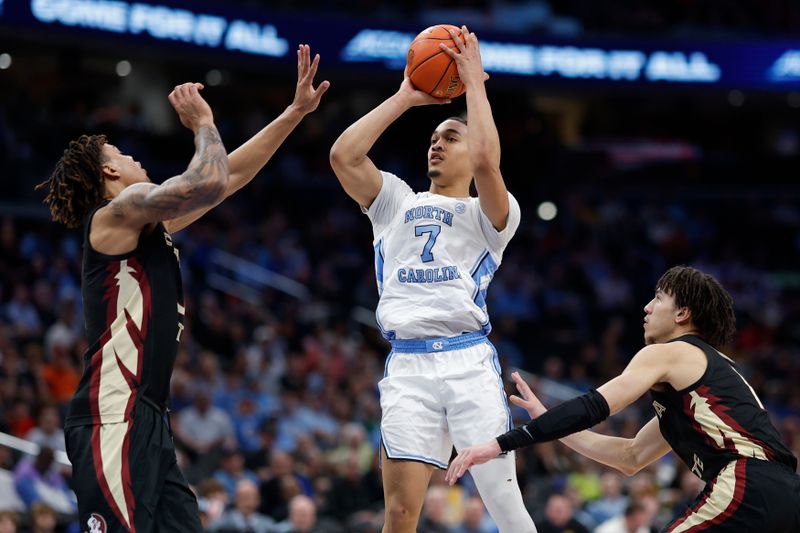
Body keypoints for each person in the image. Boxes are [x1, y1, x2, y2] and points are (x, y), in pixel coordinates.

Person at [36, 45, 329, 533]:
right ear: (110, 172)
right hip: (114, 414)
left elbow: (227, 176)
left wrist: (294, 112)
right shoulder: (117, 212)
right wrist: (202, 124)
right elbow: (208, 182)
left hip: (147, 416)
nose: (132, 157)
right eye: (121, 154)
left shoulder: (145, 228)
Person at [330, 25, 536, 533]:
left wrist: (474, 84)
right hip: (408, 366)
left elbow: (489, 160)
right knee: (399, 515)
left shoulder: (493, 214)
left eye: (451, 136)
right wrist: (404, 96)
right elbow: (343, 156)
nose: (437, 145)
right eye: (433, 138)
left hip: (467, 361)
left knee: (505, 508)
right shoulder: (395, 201)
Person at [447, 266, 800, 532]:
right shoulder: (705, 389)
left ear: (682, 314)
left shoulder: (671, 352)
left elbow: (593, 407)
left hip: (747, 484)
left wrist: (501, 444)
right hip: (784, 495)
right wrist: (549, 420)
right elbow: (630, 457)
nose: (646, 308)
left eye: (658, 298)